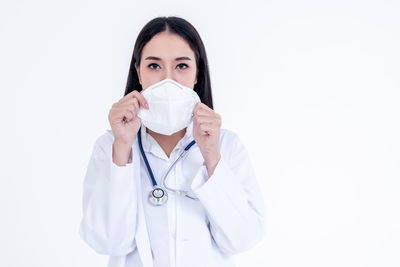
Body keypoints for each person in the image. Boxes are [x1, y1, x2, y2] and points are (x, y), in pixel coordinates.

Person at [79, 16, 266, 267]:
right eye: (154, 66)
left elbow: (243, 239)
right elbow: (108, 243)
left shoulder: (227, 145)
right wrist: (122, 147)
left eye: (182, 66)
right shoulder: (110, 146)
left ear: (198, 73)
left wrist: (211, 155)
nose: (168, 79)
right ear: (139, 72)